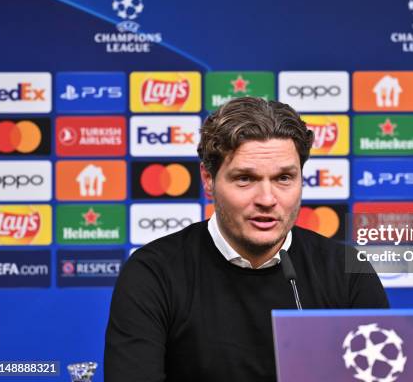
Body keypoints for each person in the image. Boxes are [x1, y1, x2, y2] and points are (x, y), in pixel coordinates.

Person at [104, 97, 389, 381]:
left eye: (284, 178)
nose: (267, 199)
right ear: (208, 180)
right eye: (245, 179)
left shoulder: (349, 269)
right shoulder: (153, 272)